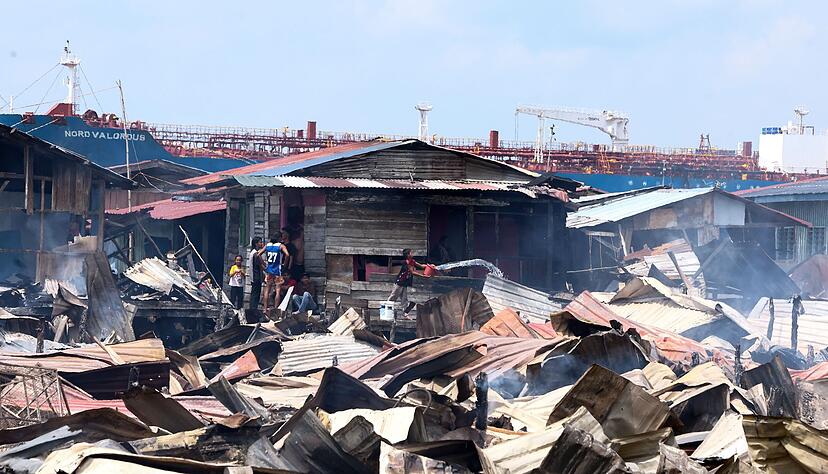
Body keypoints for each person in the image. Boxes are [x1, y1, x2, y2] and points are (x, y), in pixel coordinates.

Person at [387, 248, 426, 319]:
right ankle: (386, 312)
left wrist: (430, 266)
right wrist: (423, 276)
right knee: (393, 297)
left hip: (405, 283)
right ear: (408, 255)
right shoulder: (407, 262)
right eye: (411, 253)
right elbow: (412, 272)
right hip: (399, 282)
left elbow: (421, 266)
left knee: (404, 300)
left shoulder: (412, 261)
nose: (412, 254)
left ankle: (405, 314)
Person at [259, 234, 290, 313]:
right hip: (277, 271)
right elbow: (287, 254)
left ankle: (265, 309)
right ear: (278, 238)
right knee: (278, 290)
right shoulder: (281, 246)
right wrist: (284, 265)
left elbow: (258, 254)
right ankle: (276, 310)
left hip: (269, 270)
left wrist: (264, 265)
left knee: (267, 290)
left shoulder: (267, 246)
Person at [247, 237, 266, 316]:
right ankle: (253, 310)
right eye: (260, 242)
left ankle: (253, 309)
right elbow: (262, 265)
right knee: (255, 294)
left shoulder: (253, 252)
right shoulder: (256, 254)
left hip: (254, 276)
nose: (261, 244)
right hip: (256, 276)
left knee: (254, 293)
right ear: (256, 244)